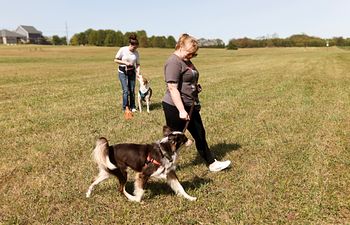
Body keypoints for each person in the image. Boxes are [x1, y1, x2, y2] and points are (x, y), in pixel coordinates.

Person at [162, 33, 231, 172]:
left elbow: (188, 79)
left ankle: (212, 163)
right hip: (175, 107)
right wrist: (181, 110)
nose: (191, 57)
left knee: (200, 133)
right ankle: (161, 166)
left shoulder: (186, 61)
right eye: (189, 53)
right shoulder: (173, 62)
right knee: (173, 140)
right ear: (180, 46)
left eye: (193, 55)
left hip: (190, 104)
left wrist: (195, 87)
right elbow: (172, 88)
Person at [114, 34, 140, 112]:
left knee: (132, 90)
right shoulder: (123, 49)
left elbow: (138, 64)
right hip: (122, 71)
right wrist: (125, 62)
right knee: (125, 90)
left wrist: (138, 72)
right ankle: (125, 107)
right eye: (134, 47)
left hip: (132, 72)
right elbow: (115, 60)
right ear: (131, 45)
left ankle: (133, 106)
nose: (135, 49)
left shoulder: (136, 53)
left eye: (136, 47)